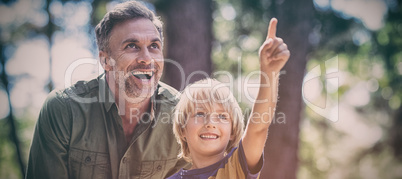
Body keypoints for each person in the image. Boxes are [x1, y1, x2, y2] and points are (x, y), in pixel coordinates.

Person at [26, 1, 189, 179]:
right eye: (132, 46)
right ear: (105, 61)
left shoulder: (183, 115)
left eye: (154, 46)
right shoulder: (64, 111)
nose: (146, 58)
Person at [168, 18, 290, 179]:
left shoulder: (236, 167)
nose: (210, 123)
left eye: (222, 116)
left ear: (232, 132)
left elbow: (259, 128)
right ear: (183, 129)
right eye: (199, 114)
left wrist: (270, 72)